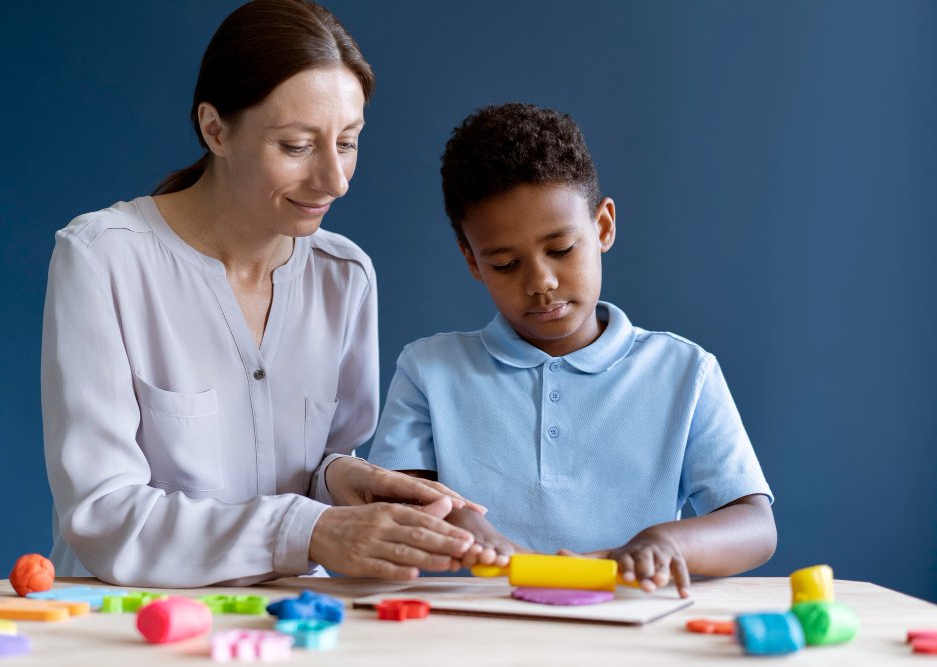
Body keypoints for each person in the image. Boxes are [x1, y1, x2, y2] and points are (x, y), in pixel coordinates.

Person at [41, 0, 482, 588]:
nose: (335, 180)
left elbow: (316, 466)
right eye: (297, 146)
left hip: (294, 623)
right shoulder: (103, 257)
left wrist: (346, 481)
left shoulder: (344, 275)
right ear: (215, 129)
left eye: (347, 142)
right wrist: (312, 532)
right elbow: (103, 516)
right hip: (131, 628)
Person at [368, 103, 778, 597]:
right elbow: (392, 503)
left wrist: (666, 542)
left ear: (603, 226)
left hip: (626, 625)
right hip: (477, 628)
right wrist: (458, 525)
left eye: (561, 250)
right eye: (504, 264)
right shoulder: (428, 370)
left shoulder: (685, 372)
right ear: (471, 260)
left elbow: (756, 527)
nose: (540, 282)